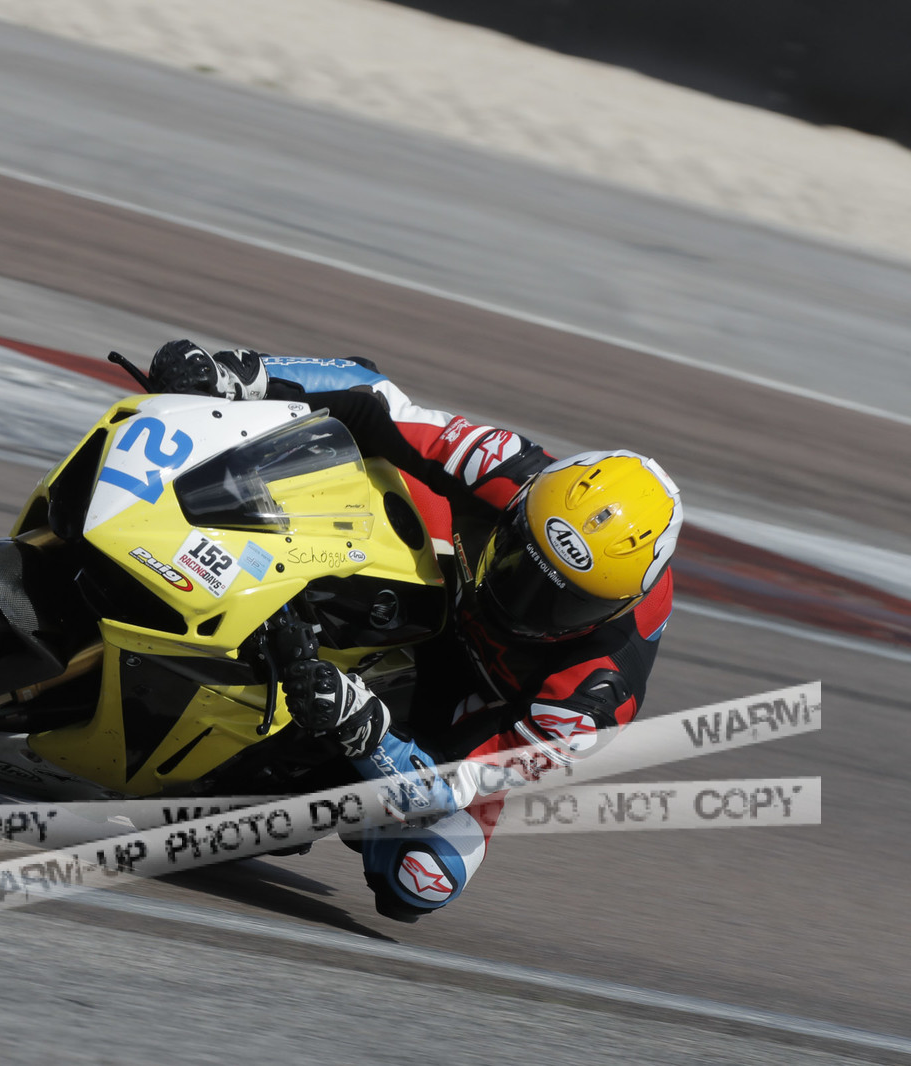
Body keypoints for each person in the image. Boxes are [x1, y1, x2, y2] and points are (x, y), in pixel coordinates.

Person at [147, 340, 682, 922]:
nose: (524, 600)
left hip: (475, 710)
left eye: (561, 604)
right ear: (524, 505)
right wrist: (237, 375)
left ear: (614, 608)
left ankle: (307, 792)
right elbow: (373, 397)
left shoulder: (592, 702)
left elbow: (454, 785)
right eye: (519, 559)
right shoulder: (509, 468)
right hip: (440, 586)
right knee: (350, 446)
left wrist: (362, 727)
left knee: (421, 878)